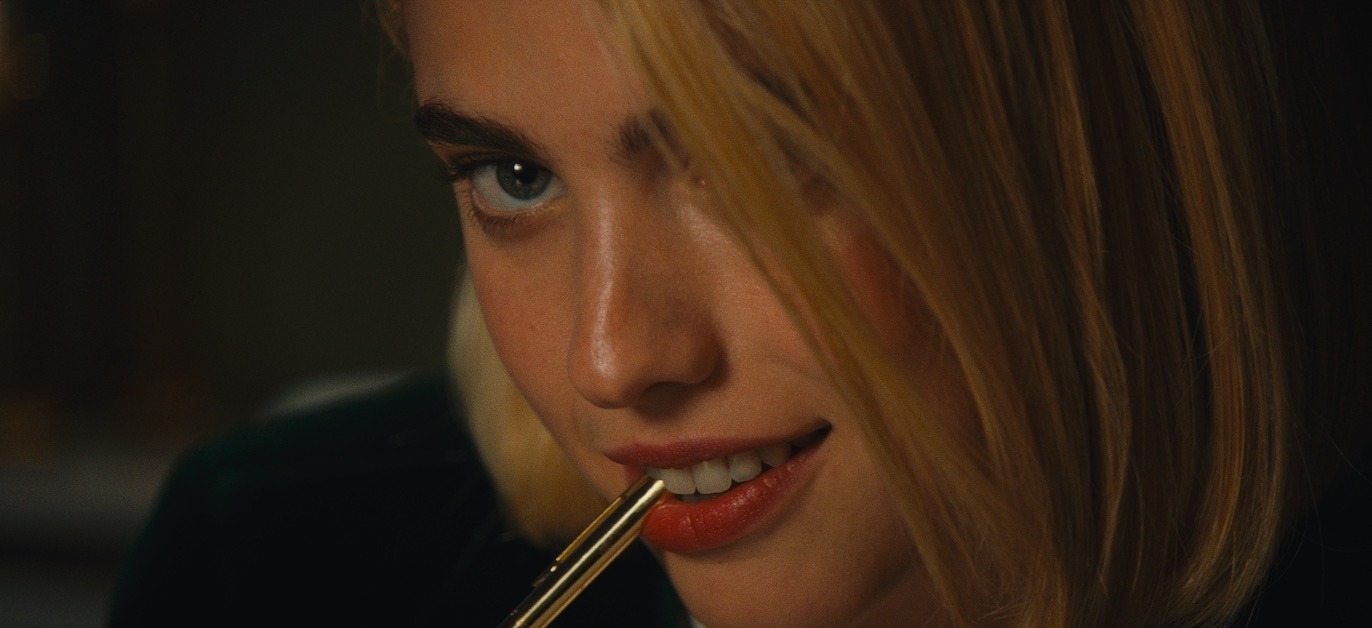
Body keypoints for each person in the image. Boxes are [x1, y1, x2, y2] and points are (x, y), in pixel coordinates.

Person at [112, 1, 1366, 626]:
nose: (610, 358)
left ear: (1075, 149)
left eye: (755, 156)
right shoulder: (272, 565)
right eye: (514, 176)